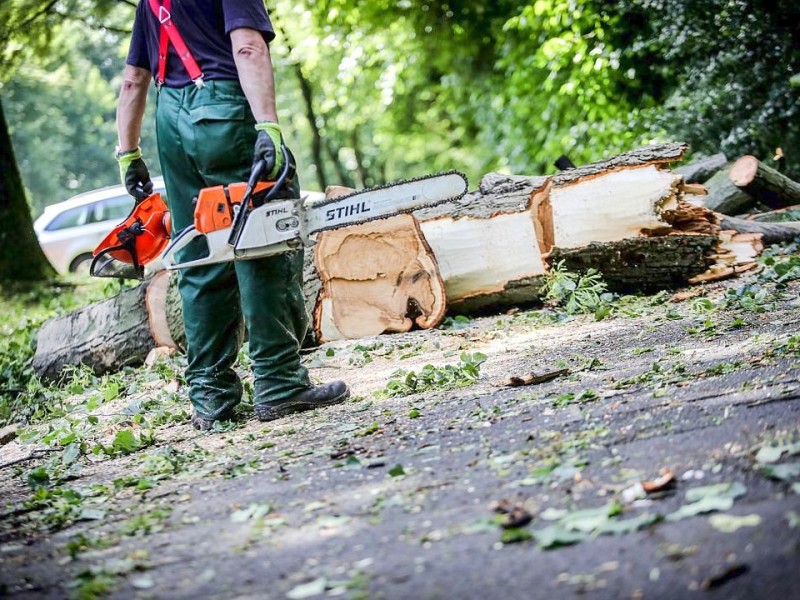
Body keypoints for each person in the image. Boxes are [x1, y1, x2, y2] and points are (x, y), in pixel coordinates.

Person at [115, 0, 349, 430]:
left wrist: (128, 153)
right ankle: (279, 383)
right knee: (265, 239)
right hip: (224, 109)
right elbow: (247, 47)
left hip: (172, 125)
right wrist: (269, 127)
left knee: (201, 252)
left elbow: (134, 81)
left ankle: (211, 395)